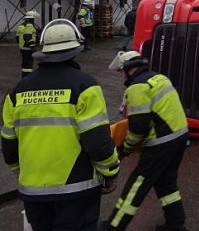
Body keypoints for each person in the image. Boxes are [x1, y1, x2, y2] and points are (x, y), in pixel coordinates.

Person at [1, 19, 119, 231]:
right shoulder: (85, 86)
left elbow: (9, 144)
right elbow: (98, 143)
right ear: (76, 50)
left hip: (34, 194)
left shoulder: (17, 92)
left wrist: (24, 172)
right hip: (76, 191)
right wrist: (110, 172)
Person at [107, 51, 188, 231]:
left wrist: (126, 148)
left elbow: (138, 128)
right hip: (179, 137)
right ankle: (176, 223)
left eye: (122, 71)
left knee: (136, 184)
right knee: (166, 182)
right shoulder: (159, 78)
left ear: (128, 69)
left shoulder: (137, 87)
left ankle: (113, 226)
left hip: (161, 142)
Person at [16, 10, 40, 77]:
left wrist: (21, 46)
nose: (34, 20)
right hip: (28, 49)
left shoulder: (21, 26)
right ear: (31, 19)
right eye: (33, 19)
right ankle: (28, 77)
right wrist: (33, 47)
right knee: (29, 65)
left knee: (24, 64)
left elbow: (17, 38)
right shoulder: (30, 26)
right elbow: (27, 37)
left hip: (22, 49)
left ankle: (24, 77)